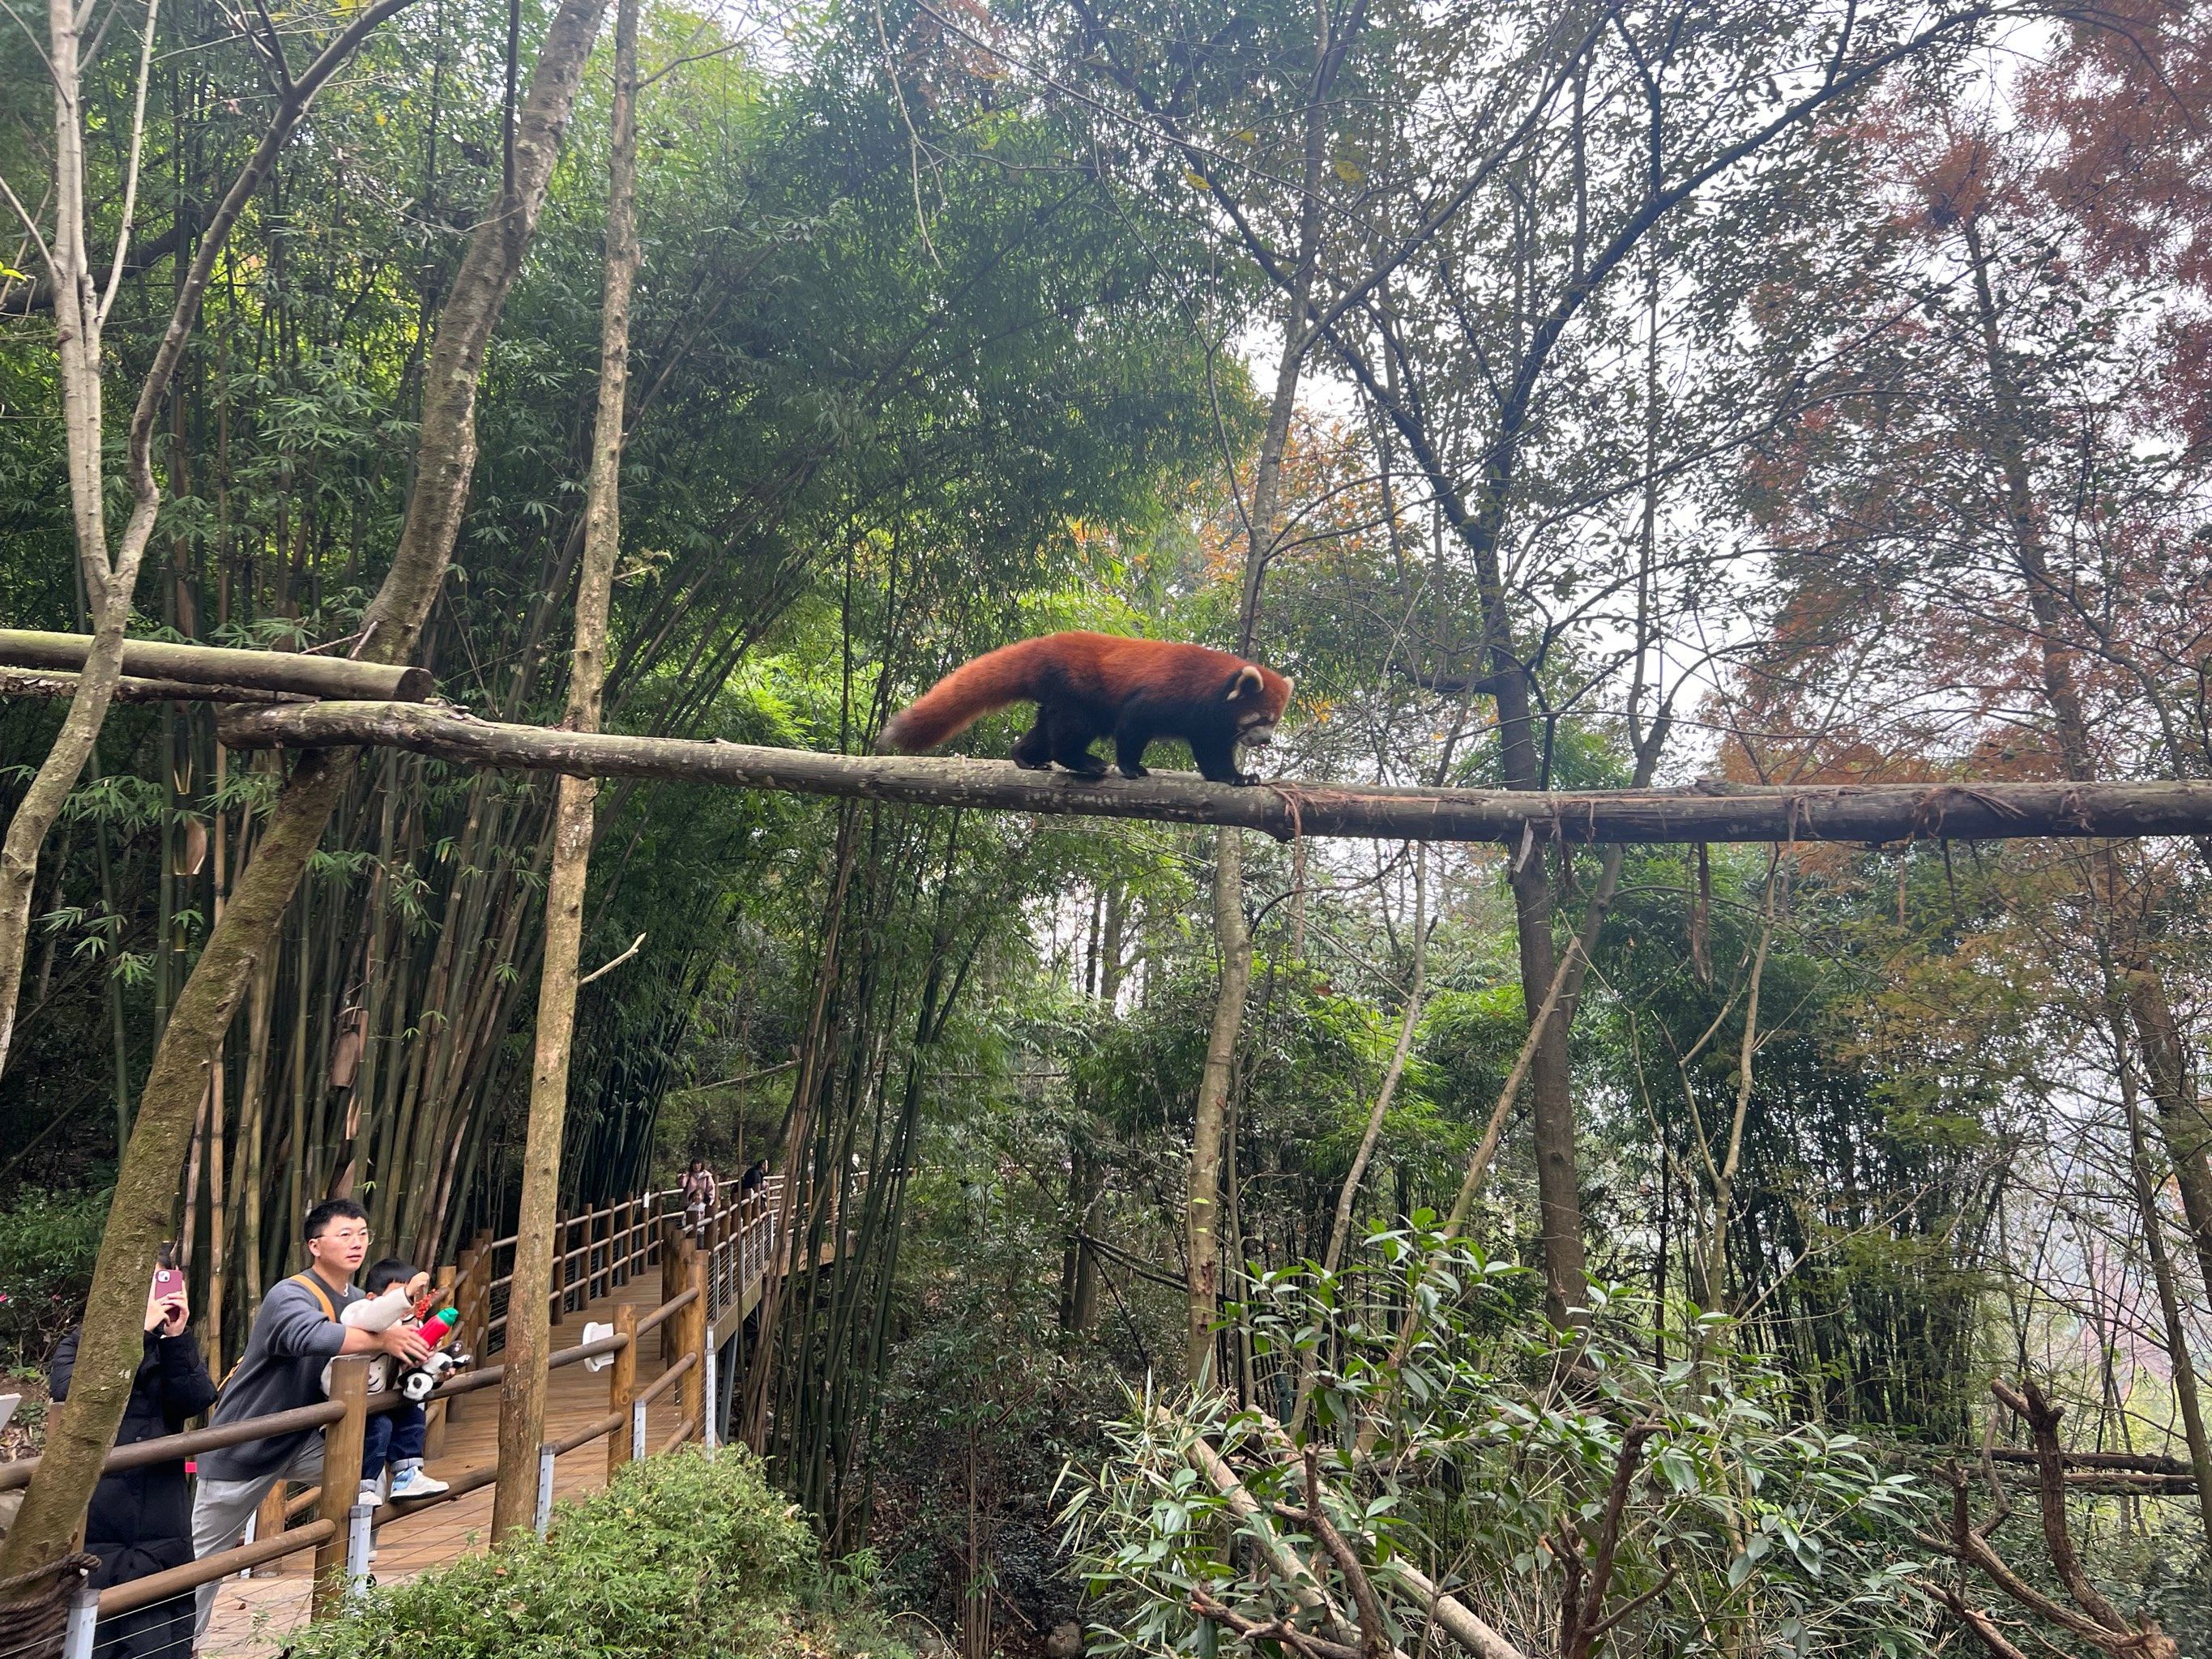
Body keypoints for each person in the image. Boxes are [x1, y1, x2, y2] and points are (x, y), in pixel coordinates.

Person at [190, 1198, 427, 1635]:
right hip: (245, 1446)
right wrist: (384, 1340)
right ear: (315, 1246)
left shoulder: (360, 1302)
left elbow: (379, 1364)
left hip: (305, 1438)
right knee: (205, 1561)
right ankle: (182, 1643)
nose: (357, 1243)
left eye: (363, 1234)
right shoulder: (291, 1293)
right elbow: (308, 1336)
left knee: (366, 1479)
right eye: (345, 1235)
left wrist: (417, 1361)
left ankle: (350, 1603)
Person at [47, 1247, 216, 1659]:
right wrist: (135, 1336)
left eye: (156, 1282)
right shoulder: (79, 1343)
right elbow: (75, 1394)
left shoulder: (169, 1346)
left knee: (162, 1638)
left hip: (161, 1518)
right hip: (100, 1518)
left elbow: (194, 1399)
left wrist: (176, 1338)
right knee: (96, 1636)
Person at [354, 1258, 451, 1507]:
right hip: (357, 1405)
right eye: (400, 1295)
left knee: (413, 1415)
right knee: (381, 1427)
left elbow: (411, 1369)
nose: (407, 1303)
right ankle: (362, 1488)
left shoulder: (412, 1325)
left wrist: (433, 1367)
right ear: (372, 1298)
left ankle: (407, 1476)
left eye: (412, 1297)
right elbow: (374, 1320)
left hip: (388, 1401)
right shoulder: (359, 1313)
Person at [680, 1159, 718, 1238]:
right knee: (690, 1223)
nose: (696, 1166)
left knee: (703, 1222)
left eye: (698, 1163)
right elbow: (683, 1185)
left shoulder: (707, 1176)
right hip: (690, 1203)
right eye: (694, 1164)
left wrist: (709, 1203)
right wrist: (682, 1177)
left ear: (702, 1165)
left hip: (704, 1203)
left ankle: (702, 1239)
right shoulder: (689, 1175)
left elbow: (711, 1189)